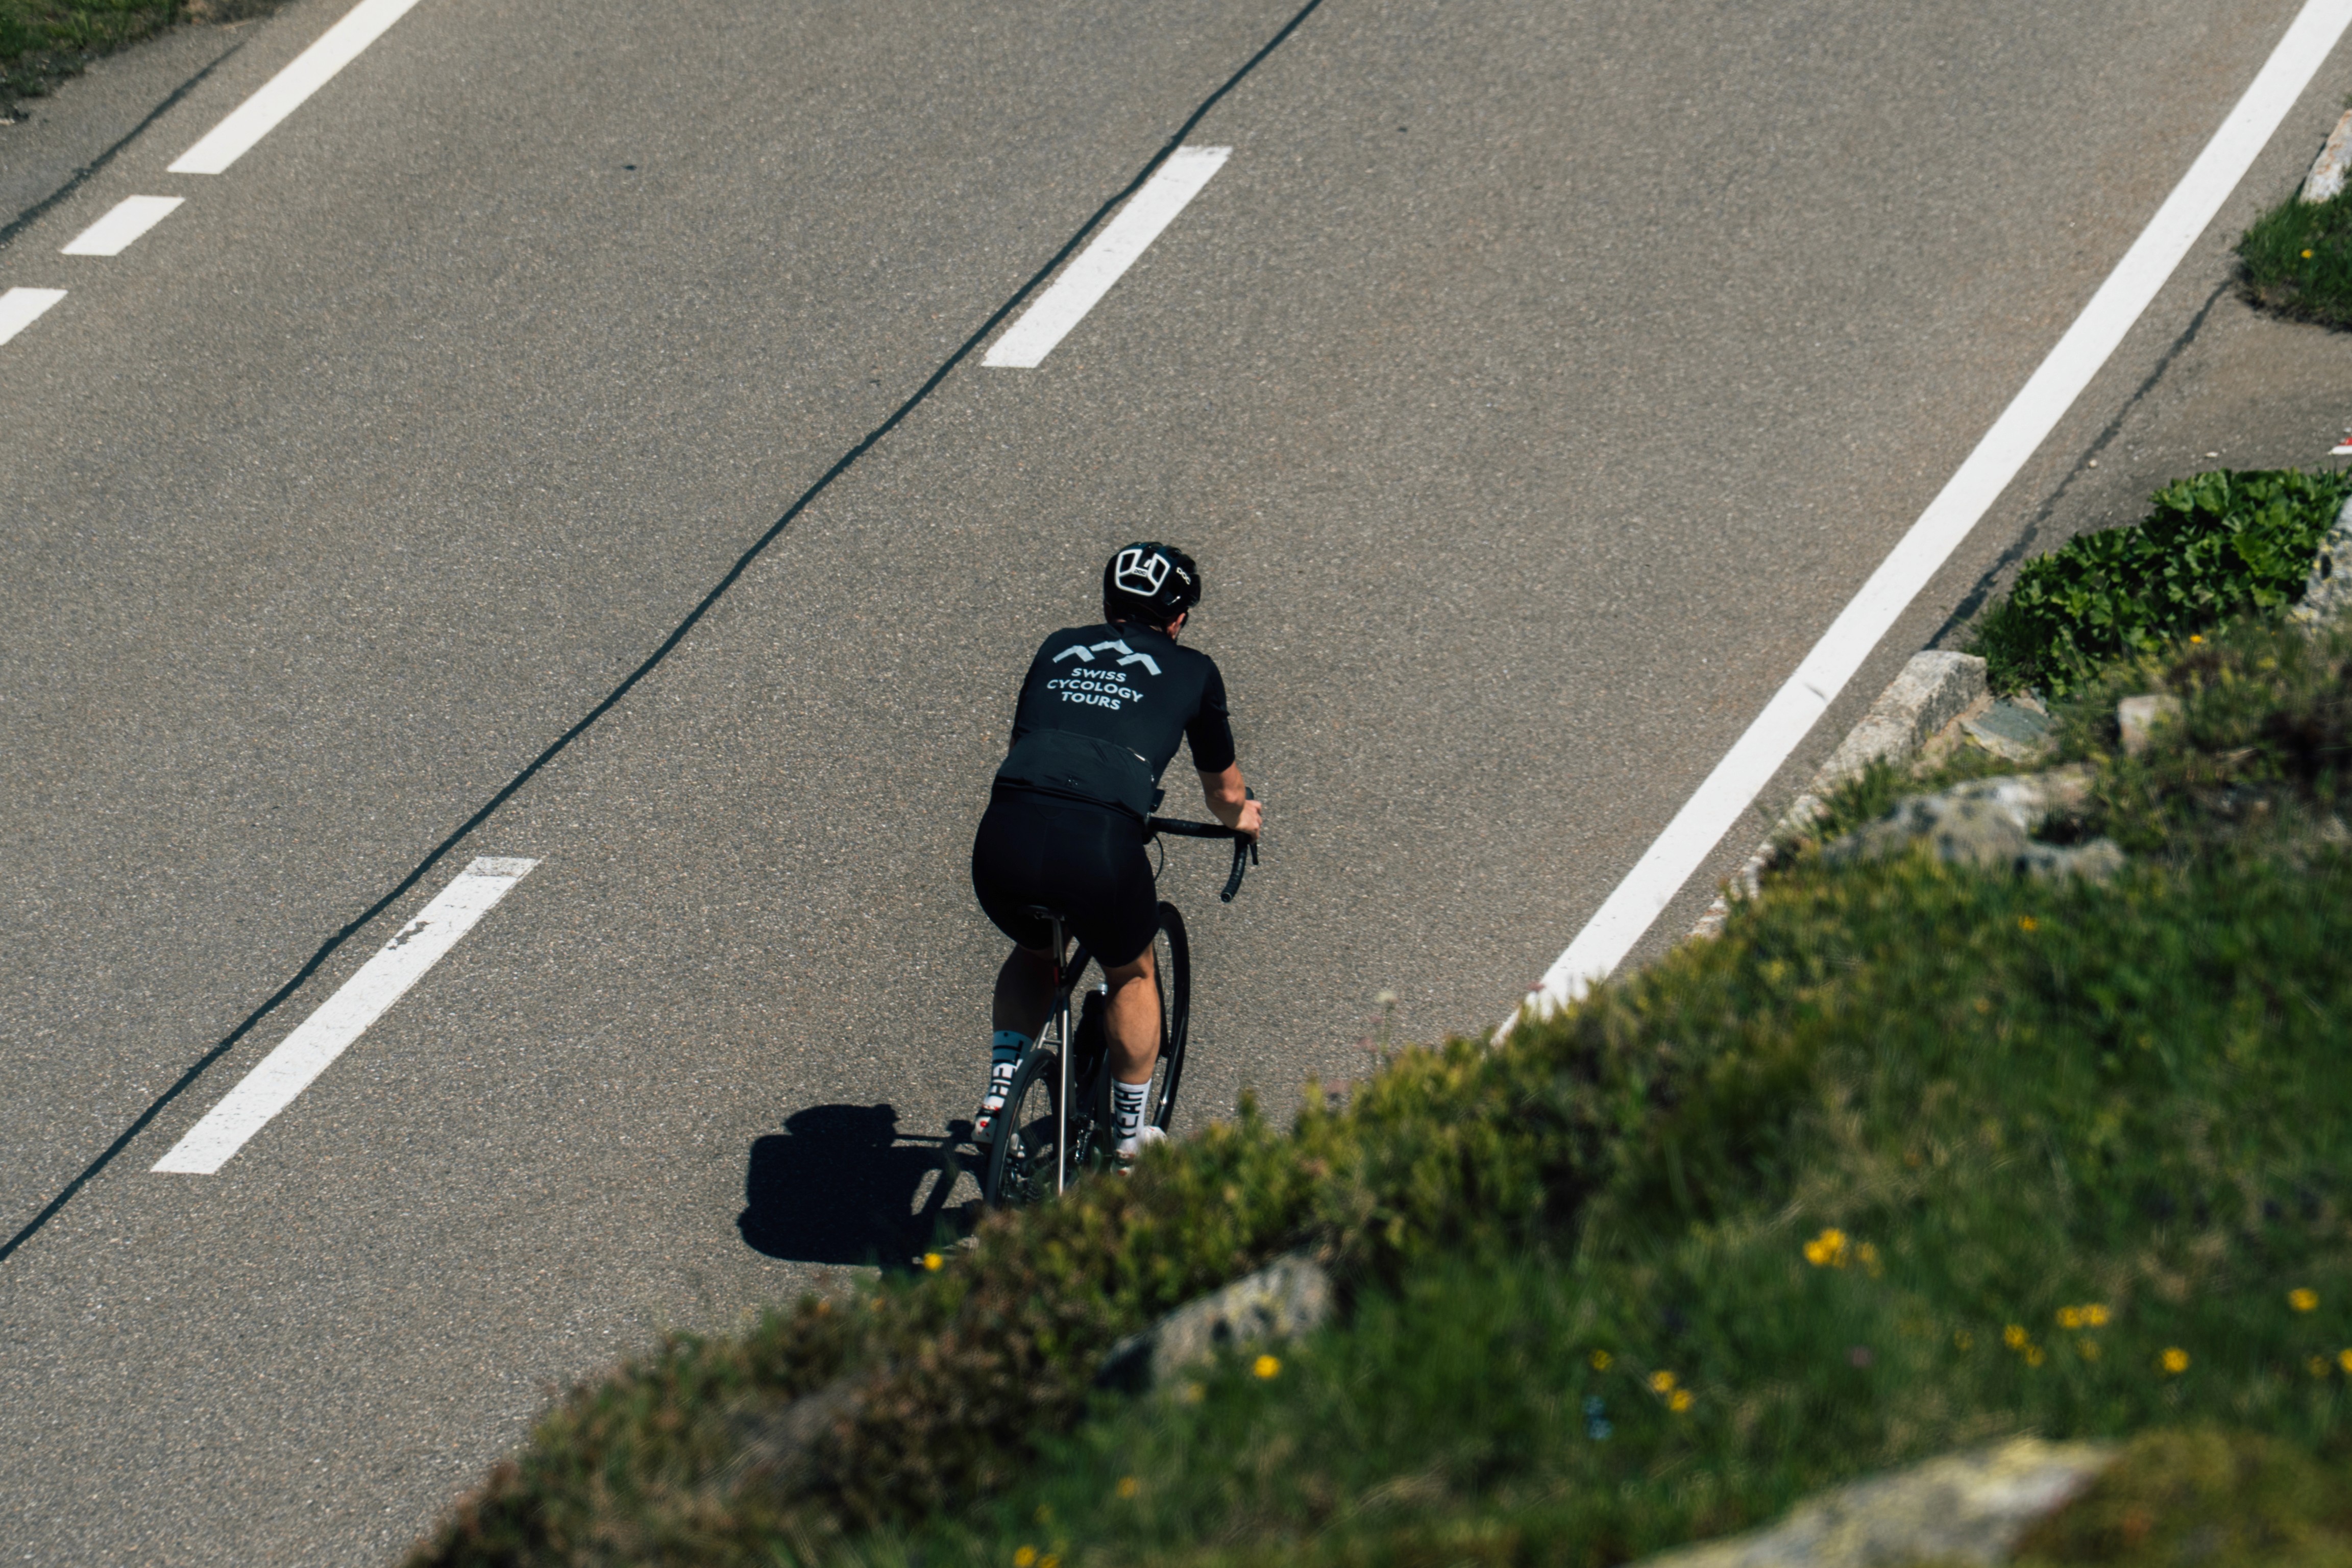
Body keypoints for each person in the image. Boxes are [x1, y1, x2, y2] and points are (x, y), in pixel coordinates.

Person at [969, 543, 1262, 1159]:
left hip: (1007, 832)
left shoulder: (1057, 645)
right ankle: (1130, 1142)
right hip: (1098, 845)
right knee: (1131, 973)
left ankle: (999, 1094)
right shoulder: (1195, 672)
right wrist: (1245, 820)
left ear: (1108, 602)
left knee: (1034, 951)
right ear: (1178, 619)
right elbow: (1224, 793)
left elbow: (1035, 737)